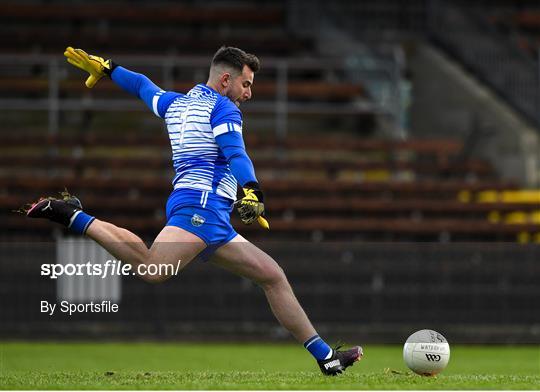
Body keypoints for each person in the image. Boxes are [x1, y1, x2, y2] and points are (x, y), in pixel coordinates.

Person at [25, 46, 362, 375]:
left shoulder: (176, 103)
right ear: (226, 79)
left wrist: (111, 69)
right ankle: (71, 214)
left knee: (272, 276)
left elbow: (143, 86)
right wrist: (253, 190)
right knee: (153, 269)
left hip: (204, 209)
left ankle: (326, 358)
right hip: (203, 206)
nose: (248, 93)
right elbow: (236, 154)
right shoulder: (224, 109)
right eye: (247, 84)